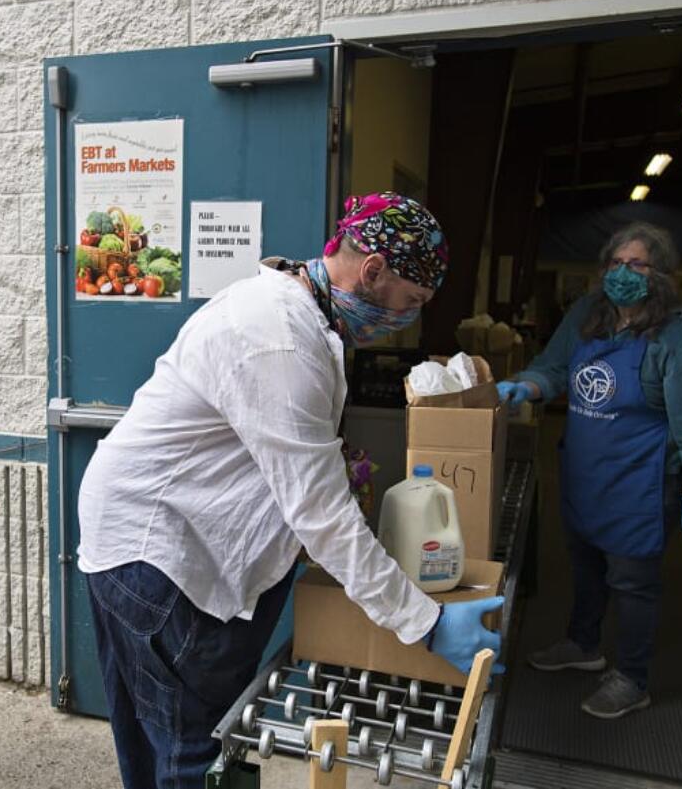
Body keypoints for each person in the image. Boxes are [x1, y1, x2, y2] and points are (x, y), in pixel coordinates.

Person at [76, 192, 504, 788]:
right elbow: (321, 515)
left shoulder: (297, 312)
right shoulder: (282, 335)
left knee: (162, 738)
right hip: (161, 554)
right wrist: (426, 623)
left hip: (150, 534)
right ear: (373, 271)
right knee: (195, 750)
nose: (409, 317)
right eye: (412, 301)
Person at [497, 222, 682, 720]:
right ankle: (583, 645)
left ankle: (631, 677)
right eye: (615, 264)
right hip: (586, 473)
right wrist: (523, 386)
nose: (622, 273)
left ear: (660, 274)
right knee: (585, 566)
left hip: (640, 483)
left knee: (633, 582)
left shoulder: (680, 339)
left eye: (636, 264)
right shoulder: (588, 315)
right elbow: (553, 368)